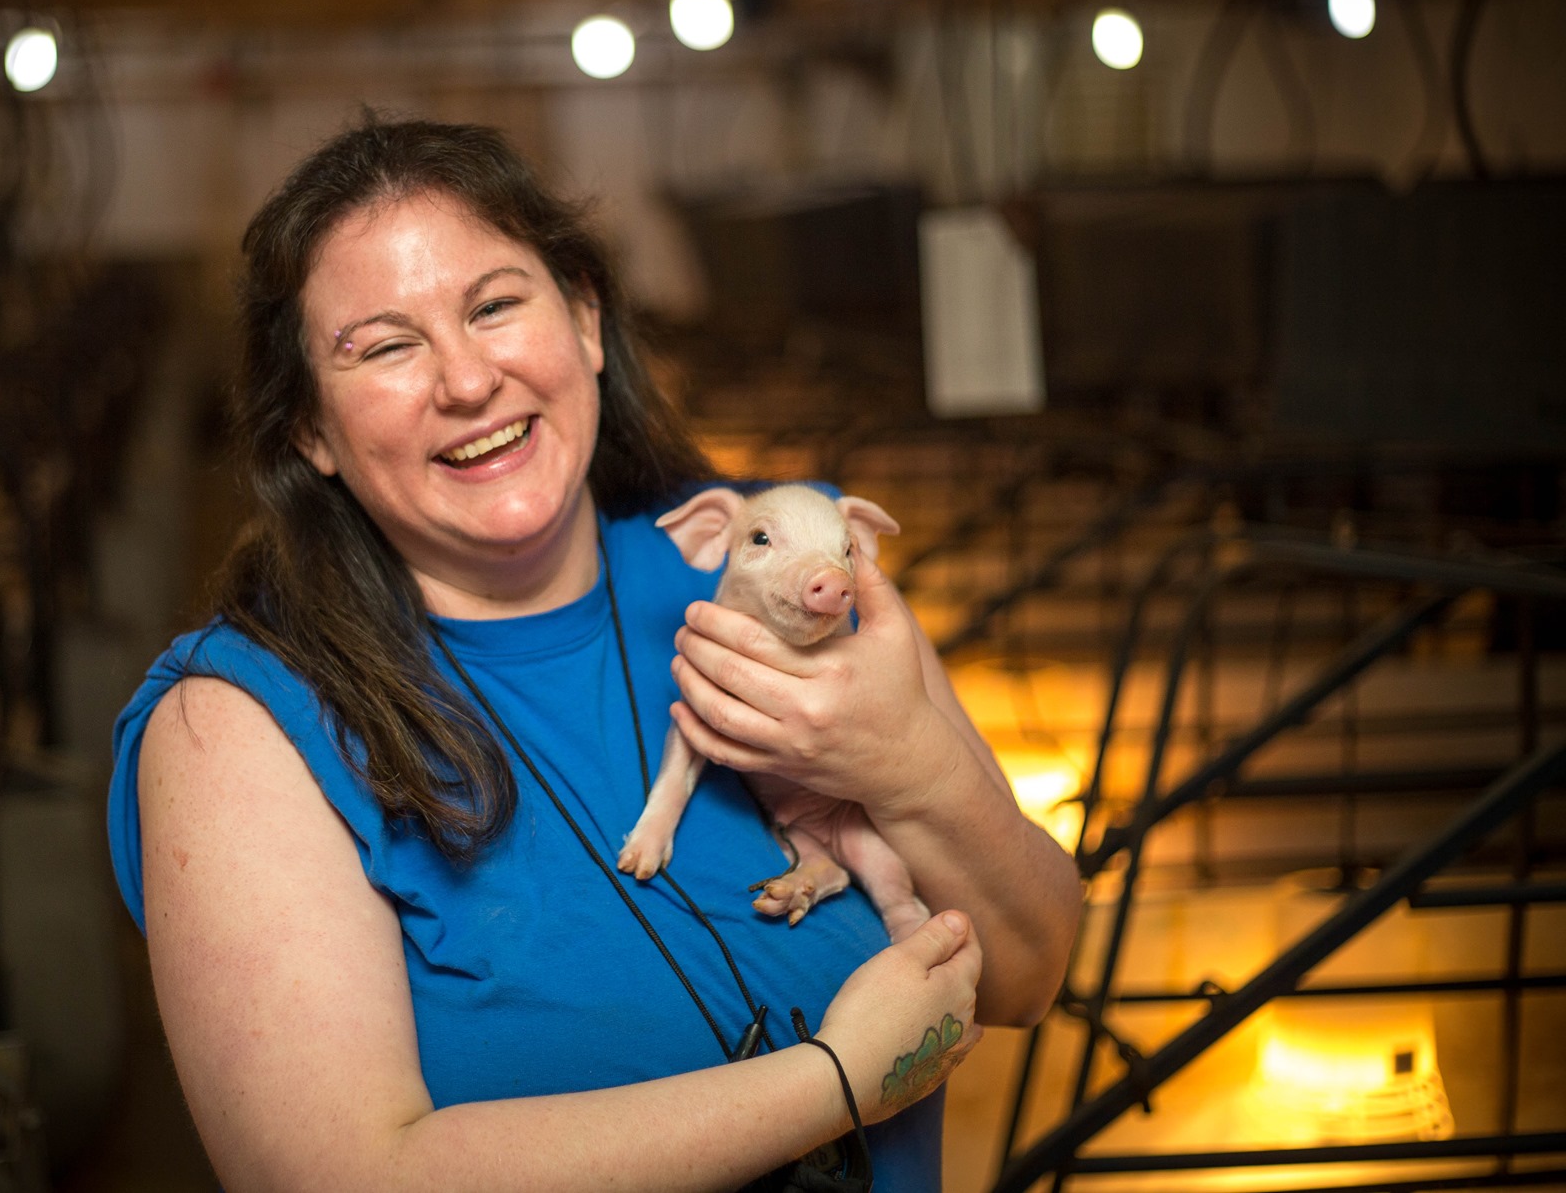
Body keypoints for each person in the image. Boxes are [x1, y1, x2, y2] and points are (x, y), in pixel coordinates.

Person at [106, 117, 1082, 1191]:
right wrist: (833, 1083)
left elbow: (1024, 974)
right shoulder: (237, 730)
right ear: (310, 432)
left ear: (582, 322)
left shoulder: (761, 564)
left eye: (493, 305)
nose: (466, 380)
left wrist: (906, 760)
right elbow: (337, 1176)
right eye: (384, 346)